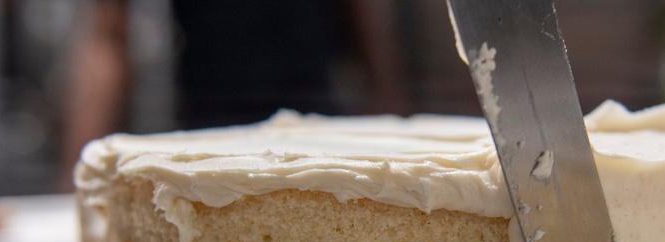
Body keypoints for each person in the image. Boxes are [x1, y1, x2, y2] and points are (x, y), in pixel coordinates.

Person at [59, 0, 409, 190]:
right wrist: (80, 168)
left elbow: (359, 10)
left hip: (318, 126)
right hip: (210, 135)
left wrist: (386, 97)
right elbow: (106, 35)